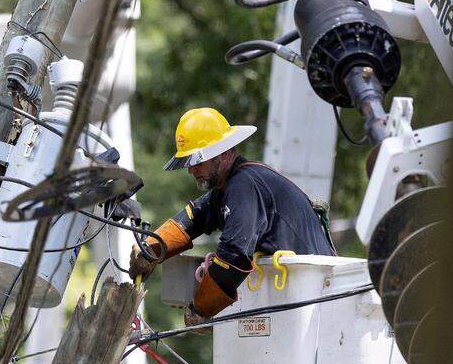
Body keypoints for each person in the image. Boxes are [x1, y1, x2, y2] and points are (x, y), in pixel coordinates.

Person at [130, 107, 335, 325]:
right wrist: (149, 250)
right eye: (189, 163)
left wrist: (199, 309)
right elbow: (196, 216)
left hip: (320, 297)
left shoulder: (245, 184)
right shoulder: (228, 188)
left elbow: (234, 255)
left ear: (225, 153)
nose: (192, 170)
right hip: (303, 299)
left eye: (198, 161)